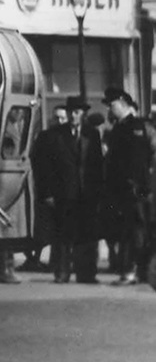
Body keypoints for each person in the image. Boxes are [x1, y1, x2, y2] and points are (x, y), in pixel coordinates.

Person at [100, 87, 151, 285]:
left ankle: (134, 270)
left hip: (137, 190)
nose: (110, 110)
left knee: (136, 230)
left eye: (112, 105)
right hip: (121, 190)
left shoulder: (141, 126)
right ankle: (133, 270)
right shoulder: (119, 128)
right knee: (127, 230)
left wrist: (143, 183)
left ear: (123, 103)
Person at [31, 101, 81, 283]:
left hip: (78, 193)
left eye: (63, 117)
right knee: (60, 235)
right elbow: (41, 167)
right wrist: (46, 193)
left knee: (75, 233)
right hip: (59, 193)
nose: (60, 120)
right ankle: (61, 271)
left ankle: (80, 270)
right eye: (57, 117)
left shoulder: (77, 134)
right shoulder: (46, 137)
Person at [69, 98, 106, 284]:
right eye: (71, 112)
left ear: (83, 115)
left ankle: (89, 273)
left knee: (90, 234)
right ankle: (75, 270)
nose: (73, 116)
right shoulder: (63, 134)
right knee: (75, 233)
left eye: (76, 112)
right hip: (71, 192)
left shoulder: (92, 134)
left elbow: (97, 164)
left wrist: (98, 190)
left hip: (89, 192)